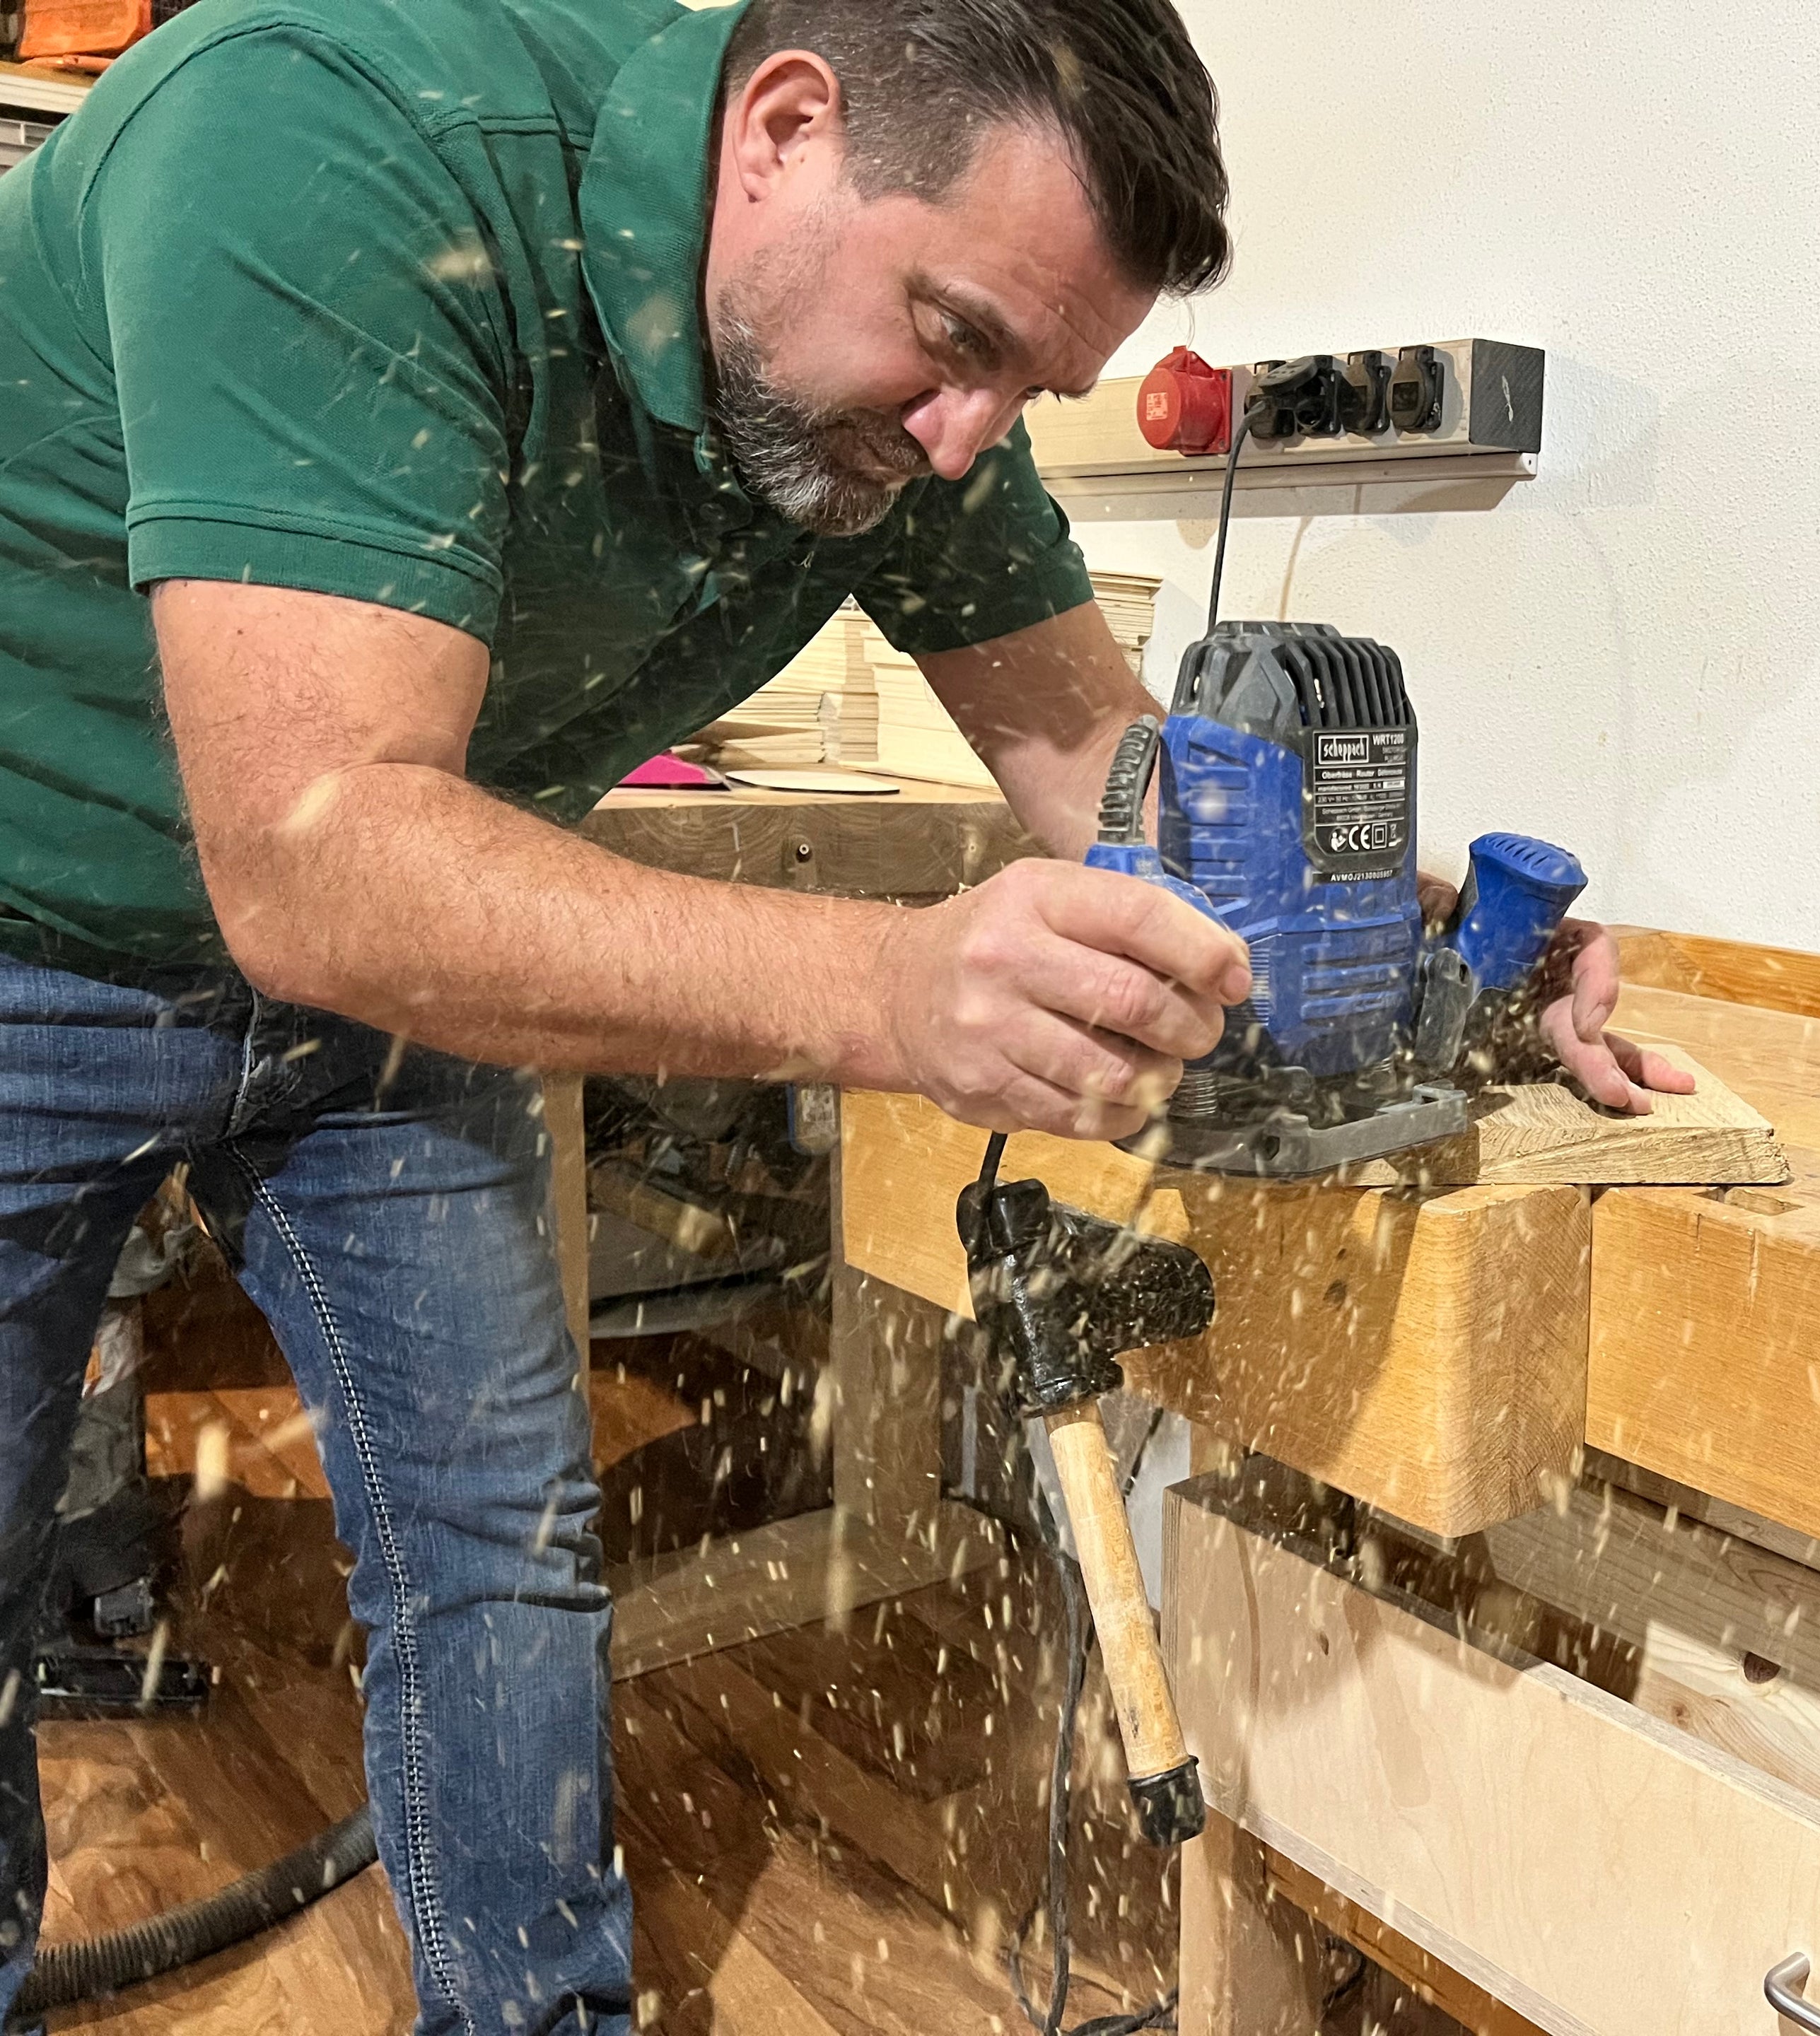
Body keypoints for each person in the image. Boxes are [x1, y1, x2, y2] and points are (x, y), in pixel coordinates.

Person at [0, 0, 1686, 2025]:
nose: (975, 437)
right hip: (36, 918)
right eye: (961, 341)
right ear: (784, 129)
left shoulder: (918, 405)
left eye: (1033, 383)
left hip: (385, 981)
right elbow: (316, 853)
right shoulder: (328, 131)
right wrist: (892, 985)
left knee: (497, 1551)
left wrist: (1422, 962)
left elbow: (1120, 783)